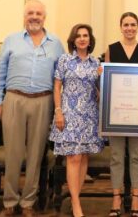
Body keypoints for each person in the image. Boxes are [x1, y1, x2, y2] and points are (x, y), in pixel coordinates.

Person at [0, 0, 64, 217]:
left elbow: (61, 77)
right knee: (12, 154)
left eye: (38, 13)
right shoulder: (11, 40)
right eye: (30, 13)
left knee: (35, 154)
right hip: (14, 99)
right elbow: (0, 73)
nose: (34, 16)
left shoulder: (56, 43)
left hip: (43, 101)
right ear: (24, 17)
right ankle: (10, 201)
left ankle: (28, 203)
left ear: (44, 17)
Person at [50, 24, 105, 217]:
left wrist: (100, 86)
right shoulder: (64, 60)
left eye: (85, 36)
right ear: (73, 39)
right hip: (69, 114)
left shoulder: (95, 63)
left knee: (83, 158)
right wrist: (58, 111)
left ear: (90, 40)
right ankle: (75, 203)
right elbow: (57, 87)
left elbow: (99, 90)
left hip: (89, 115)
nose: (82, 39)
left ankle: (75, 197)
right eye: (78, 36)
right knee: (73, 157)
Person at [104, 12, 138, 217]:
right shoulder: (111, 49)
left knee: (136, 156)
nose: (129, 28)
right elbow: (107, 80)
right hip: (115, 113)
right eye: (126, 24)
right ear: (120, 26)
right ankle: (116, 196)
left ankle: (135, 198)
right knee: (116, 156)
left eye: (133, 24)